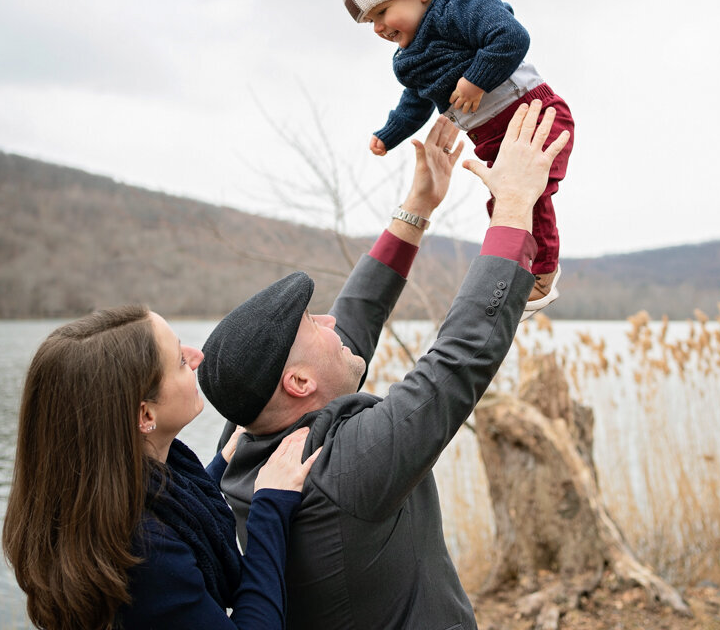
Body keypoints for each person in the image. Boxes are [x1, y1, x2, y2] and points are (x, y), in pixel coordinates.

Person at [199, 100, 569, 630]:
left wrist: (418, 205)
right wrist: (513, 208)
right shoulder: (342, 472)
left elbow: (356, 316)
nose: (332, 324)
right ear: (298, 382)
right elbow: (459, 359)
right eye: (314, 325)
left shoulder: (248, 435)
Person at [2, 305, 320, 630]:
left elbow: (175, 516)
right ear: (145, 416)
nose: (197, 356)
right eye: (181, 361)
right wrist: (270, 507)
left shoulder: (92, 504)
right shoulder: (146, 556)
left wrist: (221, 464)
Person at [342, 0, 576, 319]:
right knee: (503, 205)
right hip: (494, 139)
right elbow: (414, 103)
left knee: (527, 199)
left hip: (533, 117)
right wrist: (389, 135)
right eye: (371, 23)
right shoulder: (408, 60)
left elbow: (510, 36)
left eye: (382, 12)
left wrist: (476, 79)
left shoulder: (459, 9)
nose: (379, 28)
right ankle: (519, 271)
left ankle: (544, 272)